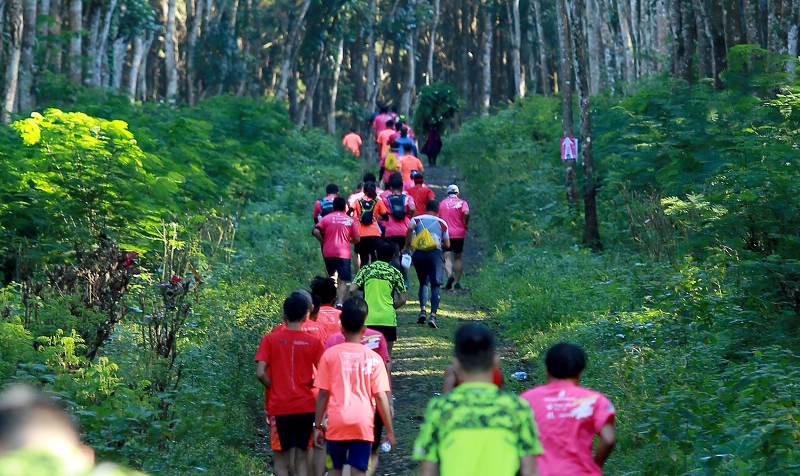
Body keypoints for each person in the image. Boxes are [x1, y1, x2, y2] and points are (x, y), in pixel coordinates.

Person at [413, 323, 543, 476]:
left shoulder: (440, 408)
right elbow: (529, 471)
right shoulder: (517, 408)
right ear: (496, 361)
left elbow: (428, 472)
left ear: (456, 364)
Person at [313, 297, 396, 476]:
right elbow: (381, 397)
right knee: (359, 471)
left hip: (335, 422)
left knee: (335, 469)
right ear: (364, 329)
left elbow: (323, 394)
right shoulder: (374, 359)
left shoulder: (329, 355)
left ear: (341, 328)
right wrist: (389, 430)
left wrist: (318, 426)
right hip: (363, 424)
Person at [519, 343, 617, 476]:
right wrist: (596, 465)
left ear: (547, 369)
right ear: (580, 371)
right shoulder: (594, 400)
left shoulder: (525, 399)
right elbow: (609, 438)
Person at [255, 292, 325, 476]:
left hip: (279, 407)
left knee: (280, 464)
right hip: (306, 405)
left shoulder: (270, 339)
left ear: (283, 315)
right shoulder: (314, 342)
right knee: (301, 461)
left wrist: (275, 386)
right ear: (306, 315)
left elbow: (260, 372)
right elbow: (325, 375)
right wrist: (310, 383)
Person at [350, 239, 407, 366]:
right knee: (387, 356)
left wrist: (359, 304)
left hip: (368, 318)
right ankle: (386, 383)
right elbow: (403, 299)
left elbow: (352, 289)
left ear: (375, 253)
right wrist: (392, 307)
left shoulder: (366, 270)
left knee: (365, 354)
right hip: (387, 319)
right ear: (392, 256)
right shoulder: (395, 273)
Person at [404, 199, 449, 329]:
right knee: (435, 285)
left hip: (419, 253)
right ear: (437, 210)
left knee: (423, 282)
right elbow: (447, 244)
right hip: (435, 254)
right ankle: (433, 315)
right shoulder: (442, 222)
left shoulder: (416, 219)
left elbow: (409, 231)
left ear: (425, 207)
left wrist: (406, 247)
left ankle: (422, 310)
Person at [313, 197, 360, 304]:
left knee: (332, 278)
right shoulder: (349, 220)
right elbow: (357, 238)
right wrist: (349, 240)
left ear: (333, 207)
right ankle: (340, 303)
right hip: (344, 253)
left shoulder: (326, 218)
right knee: (343, 280)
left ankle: (331, 301)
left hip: (329, 251)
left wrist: (323, 241)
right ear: (344, 207)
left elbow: (316, 231)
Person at [381, 173, 416, 285]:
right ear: (402, 187)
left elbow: (380, 212)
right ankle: (404, 279)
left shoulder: (385, 197)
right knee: (404, 253)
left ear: (390, 187)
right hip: (405, 230)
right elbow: (412, 207)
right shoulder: (407, 197)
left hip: (390, 229)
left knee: (394, 256)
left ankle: (393, 279)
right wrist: (409, 215)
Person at [439, 184, 470, 290]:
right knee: (457, 257)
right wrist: (465, 222)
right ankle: (457, 282)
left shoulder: (442, 203)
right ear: (457, 193)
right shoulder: (462, 203)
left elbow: (438, 218)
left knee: (447, 257)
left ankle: (449, 276)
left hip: (446, 233)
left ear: (447, 193)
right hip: (459, 233)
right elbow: (466, 212)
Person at [352, 182, 388, 271]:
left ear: (363, 190)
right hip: (374, 234)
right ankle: (373, 280)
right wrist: (376, 217)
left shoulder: (357, 201)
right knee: (374, 258)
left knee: (363, 259)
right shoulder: (378, 201)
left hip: (361, 234)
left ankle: (362, 281)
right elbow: (386, 217)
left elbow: (350, 212)